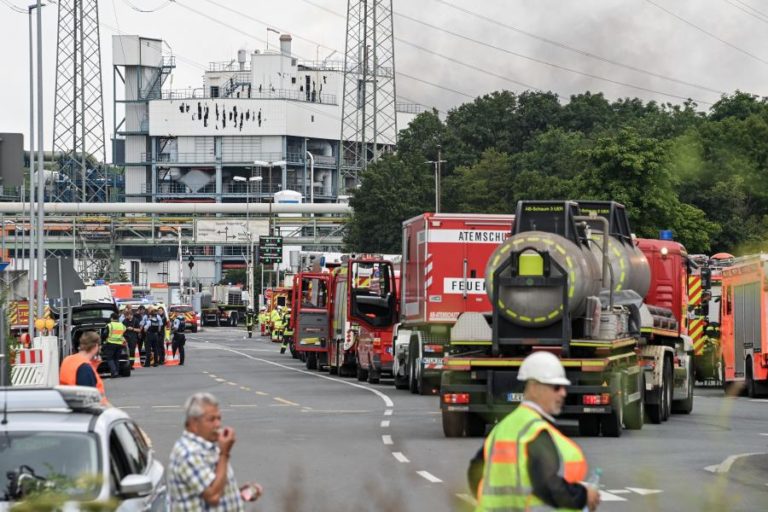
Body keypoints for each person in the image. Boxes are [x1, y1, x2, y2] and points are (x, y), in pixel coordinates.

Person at [468, 351, 601, 512]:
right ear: (535, 388)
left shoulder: (502, 428)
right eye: (556, 387)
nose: (563, 393)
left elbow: (474, 473)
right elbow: (546, 485)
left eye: (564, 387)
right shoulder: (535, 431)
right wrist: (583, 495)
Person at [168, 393, 262, 511]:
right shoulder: (188, 454)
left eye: (219, 418)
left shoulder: (206, 446)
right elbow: (213, 496)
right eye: (211, 419)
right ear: (194, 424)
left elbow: (211, 485)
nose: (218, 424)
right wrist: (224, 453)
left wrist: (236, 494)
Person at [59, 330, 107, 403]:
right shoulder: (84, 367)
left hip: (70, 404)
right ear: (96, 346)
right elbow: (88, 398)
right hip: (90, 410)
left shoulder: (68, 360)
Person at [104, 312, 126, 378]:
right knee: (117, 358)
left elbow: (105, 334)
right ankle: (116, 372)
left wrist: (103, 340)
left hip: (111, 343)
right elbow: (124, 332)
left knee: (110, 358)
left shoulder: (109, 325)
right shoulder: (122, 325)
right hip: (119, 344)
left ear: (112, 318)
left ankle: (114, 372)